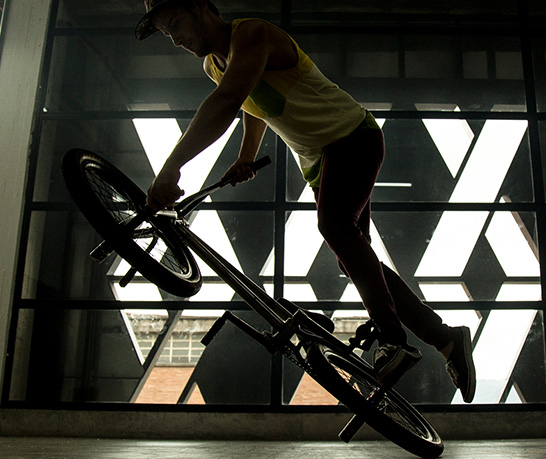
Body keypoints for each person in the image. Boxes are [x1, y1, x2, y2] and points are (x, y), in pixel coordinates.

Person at [136, 0, 476, 402]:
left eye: (176, 24)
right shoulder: (215, 64)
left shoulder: (252, 34)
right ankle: (446, 339)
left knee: (335, 228)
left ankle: (392, 339)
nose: (175, 39)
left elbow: (228, 101)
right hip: (321, 160)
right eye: (166, 33)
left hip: (351, 138)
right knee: (350, 255)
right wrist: (246, 155)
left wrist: (171, 167)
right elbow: (251, 103)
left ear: (201, 9)